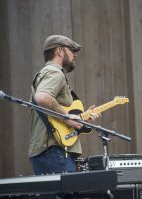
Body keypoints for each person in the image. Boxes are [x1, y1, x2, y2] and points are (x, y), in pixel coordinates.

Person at [29, 35, 100, 175]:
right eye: (72, 50)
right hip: (53, 151)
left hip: (49, 150)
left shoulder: (47, 73)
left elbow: (51, 110)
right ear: (59, 51)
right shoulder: (55, 73)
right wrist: (67, 117)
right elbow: (42, 97)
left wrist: (82, 117)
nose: (75, 55)